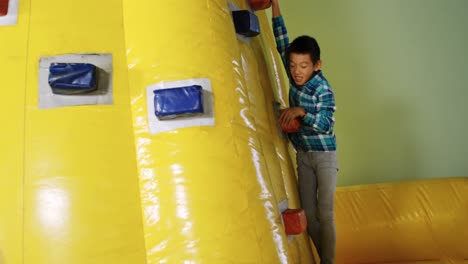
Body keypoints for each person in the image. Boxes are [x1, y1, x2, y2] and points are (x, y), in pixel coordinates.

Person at [271, 1, 339, 263]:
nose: (297, 72)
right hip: (304, 155)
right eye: (293, 66)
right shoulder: (294, 75)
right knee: (308, 215)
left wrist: (300, 111)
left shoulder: (323, 89)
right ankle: (326, 258)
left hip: (324, 156)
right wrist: (274, 5)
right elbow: (281, 39)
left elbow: (325, 125)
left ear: (317, 65)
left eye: (304, 66)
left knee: (326, 213)